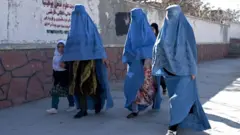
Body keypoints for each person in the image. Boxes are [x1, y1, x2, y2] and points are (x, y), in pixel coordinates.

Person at [152, 5, 211, 135]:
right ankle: (183, 120)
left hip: (185, 71)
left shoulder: (186, 29)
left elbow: (191, 51)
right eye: (168, 14)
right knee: (179, 98)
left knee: (177, 100)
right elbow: (157, 48)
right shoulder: (164, 29)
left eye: (173, 14)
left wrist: (193, 70)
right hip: (170, 72)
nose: (170, 17)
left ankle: (172, 127)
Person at [61, 5, 114, 119]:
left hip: (89, 62)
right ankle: (83, 109)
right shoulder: (72, 31)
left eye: (79, 14)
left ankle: (97, 104)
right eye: (76, 14)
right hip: (75, 64)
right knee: (77, 87)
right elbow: (69, 46)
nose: (77, 17)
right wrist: (64, 59)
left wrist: (103, 57)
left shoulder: (91, 28)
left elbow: (98, 44)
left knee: (90, 85)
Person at [123, 8, 162, 119]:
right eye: (133, 18)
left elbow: (153, 47)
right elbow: (128, 46)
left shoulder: (148, 32)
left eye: (136, 17)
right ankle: (134, 109)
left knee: (148, 87)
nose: (135, 20)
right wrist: (129, 56)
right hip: (135, 64)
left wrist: (141, 53)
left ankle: (152, 103)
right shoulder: (132, 31)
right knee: (132, 86)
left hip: (147, 64)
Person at [46, 40, 76, 114]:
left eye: (63, 47)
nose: (61, 48)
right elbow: (54, 67)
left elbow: (73, 67)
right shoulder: (55, 56)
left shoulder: (68, 56)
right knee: (56, 92)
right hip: (57, 76)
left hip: (65, 76)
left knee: (68, 92)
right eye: (59, 47)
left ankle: (72, 105)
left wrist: (65, 66)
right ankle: (54, 108)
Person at [151, 23, 167, 95]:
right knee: (154, 76)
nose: (151, 30)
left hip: (158, 59)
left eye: (153, 29)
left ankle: (163, 87)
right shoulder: (150, 36)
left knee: (158, 75)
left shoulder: (159, 37)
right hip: (151, 58)